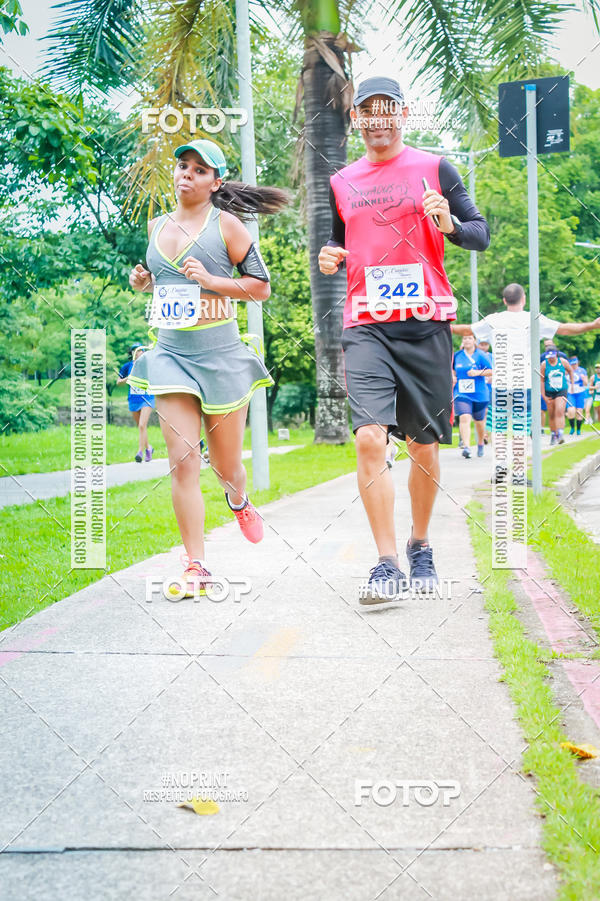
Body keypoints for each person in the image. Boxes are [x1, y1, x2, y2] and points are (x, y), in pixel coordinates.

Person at [318, 76, 490, 600]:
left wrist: (448, 225)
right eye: (366, 111)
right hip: (366, 325)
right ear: (356, 119)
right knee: (370, 437)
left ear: (403, 114)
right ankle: (387, 563)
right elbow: (339, 239)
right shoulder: (342, 180)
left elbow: (479, 232)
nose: (377, 118)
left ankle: (420, 545)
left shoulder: (434, 168)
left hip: (426, 324)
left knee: (424, 445)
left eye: (386, 109)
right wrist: (329, 255)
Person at [127, 139, 287, 596]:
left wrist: (215, 281)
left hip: (220, 358)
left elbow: (261, 288)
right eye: (182, 167)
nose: (186, 175)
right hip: (172, 356)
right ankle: (196, 564)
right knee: (182, 462)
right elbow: (159, 285)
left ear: (215, 182)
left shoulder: (229, 226)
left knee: (225, 465)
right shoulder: (157, 225)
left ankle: (238, 499)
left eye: (199, 171)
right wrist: (142, 281)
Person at [452, 283, 600, 439]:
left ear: (504, 301)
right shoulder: (533, 319)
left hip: (500, 384)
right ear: (523, 299)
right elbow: (564, 329)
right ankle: (518, 462)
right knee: (519, 432)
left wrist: (445, 326)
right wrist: (593, 325)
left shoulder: (493, 320)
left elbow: (466, 329)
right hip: (523, 384)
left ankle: (501, 461)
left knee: (500, 432)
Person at [453, 334, 492, 458]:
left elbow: (492, 370)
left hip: (479, 394)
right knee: (464, 417)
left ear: (474, 341)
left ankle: (480, 443)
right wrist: (452, 377)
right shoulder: (457, 356)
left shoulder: (481, 355)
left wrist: (477, 372)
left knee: (479, 422)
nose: (467, 340)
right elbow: (451, 370)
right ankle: (467, 447)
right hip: (461, 392)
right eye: (464, 338)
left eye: (469, 338)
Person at [117, 344, 155, 462]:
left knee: (142, 425)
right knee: (141, 427)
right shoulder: (127, 366)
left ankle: (140, 452)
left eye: (141, 350)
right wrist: (128, 378)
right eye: (136, 351)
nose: (139, 352)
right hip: (133, 399)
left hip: (147, 398)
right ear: (132, 353)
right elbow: (118, 382)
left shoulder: (148, 366)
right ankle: (149, 448)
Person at [540, 346, 574, 445]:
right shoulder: (544, 365)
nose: (551, 358)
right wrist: (543, 395)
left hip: (561, 390)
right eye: (549, 356)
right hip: (549, 391)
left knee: (559, 411)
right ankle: (553, 435)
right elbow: (541, 380)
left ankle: (560, 434)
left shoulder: (562, 362)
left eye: (553, 356)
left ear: (556, 354)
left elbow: (571, 371)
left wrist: (571, 385)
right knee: (551, 414)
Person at [566, 355, 588, 436]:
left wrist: (584, 379)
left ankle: (578, 429)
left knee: (579, 411)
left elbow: (586, 383)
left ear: (577, 363)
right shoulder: (567, 371)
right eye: (572, 364)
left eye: (575, 364)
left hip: (580, 392)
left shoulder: (582, 371)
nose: (574, 366)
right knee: (571, 410)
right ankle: (572, 428)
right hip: (570, 393)